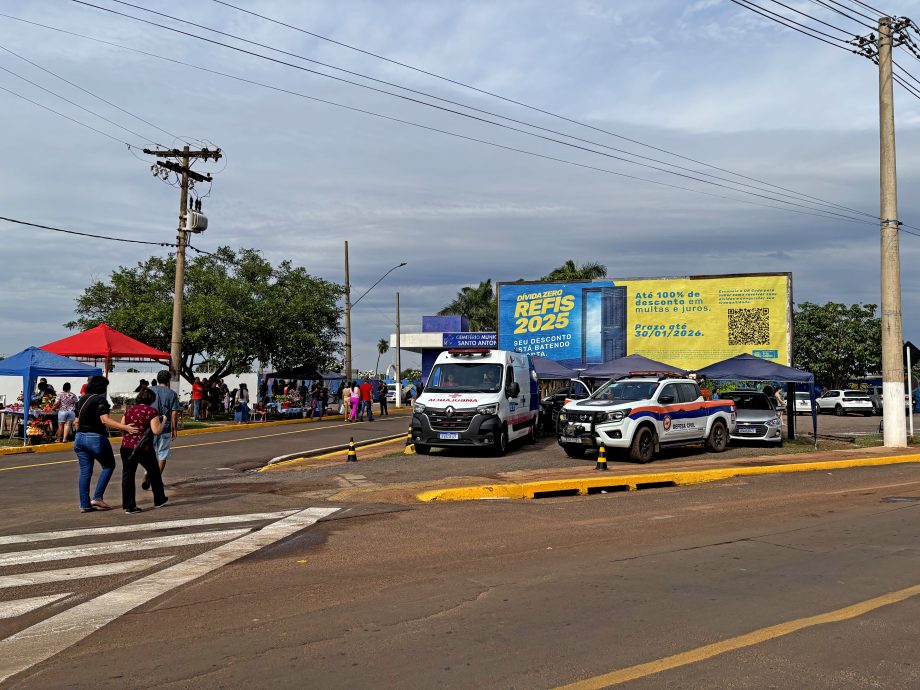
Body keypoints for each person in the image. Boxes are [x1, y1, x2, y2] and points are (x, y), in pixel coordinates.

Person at [73, 375, 138, 513]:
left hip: (79, 438)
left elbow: (76, 421)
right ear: (102, 387)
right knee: (109, 465)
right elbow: (105, 420)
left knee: (85, 472)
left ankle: (84, 504)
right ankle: (97, 497)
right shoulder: (100, 400)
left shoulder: (82, 399)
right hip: (95, 438)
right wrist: (125, 428)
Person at [120, 387, 168, 514]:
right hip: (144, 448)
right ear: (151, 399)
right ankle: (159, 499)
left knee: (128, 475)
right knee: (154, 472)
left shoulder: (129, 410)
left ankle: (129, 506)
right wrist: (163, 422)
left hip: (127, 446)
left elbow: (122, 426)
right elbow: (156, 431)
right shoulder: (151, 411)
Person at [146, 370, 181, 490]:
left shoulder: (149, 390)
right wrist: (174, 428)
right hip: (164, 428)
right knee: (162, 454)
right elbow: (174, 412)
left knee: (150, 453)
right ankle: (155, 479)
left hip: (149, 427)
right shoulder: (172, 394)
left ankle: (148, 472)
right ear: (168, 381)